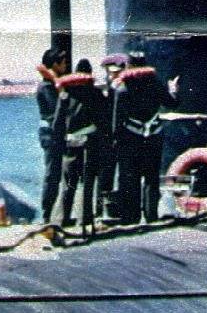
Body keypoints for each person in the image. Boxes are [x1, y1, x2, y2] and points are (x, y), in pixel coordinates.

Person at [112, 50, 179, 223]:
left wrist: (115, 141)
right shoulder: (155, 83)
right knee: (151, 177)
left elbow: (117, 120)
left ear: (128, 65)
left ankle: (131, 218)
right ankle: (151, 215)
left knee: (130, 178)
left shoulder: (122, 88)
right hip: (153, 136)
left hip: (130, 138)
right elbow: (172, 103)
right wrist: (173, 90)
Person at [50, 59, 105, 231]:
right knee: (87, 183)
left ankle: (61, 220)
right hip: (90, 143)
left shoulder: (66, 94)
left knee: (68, 184)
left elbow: (57, 122)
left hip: (70, 143)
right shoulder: (96, 93)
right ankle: (84, 220)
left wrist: (58, 143)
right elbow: (103, 121)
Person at [35, 46, 68, 222]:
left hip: (56, 134)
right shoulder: (47, 87)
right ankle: (47, 214)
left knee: (60, 173)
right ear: (55, 64)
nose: (66, 65)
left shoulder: (53, 84)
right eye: (63, 62)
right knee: (53, 174)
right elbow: (57, 109)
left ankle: (58, 213)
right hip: (51, 134)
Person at [97, 53, 126, 220]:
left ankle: (111, 209)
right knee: (106, 176)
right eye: (110, 72)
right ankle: (102, 210)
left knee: (116, 175)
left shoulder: (118, 89)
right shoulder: (109, 90)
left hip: (117, 137)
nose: (110, 76)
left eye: (113, 72)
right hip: (109, 138)